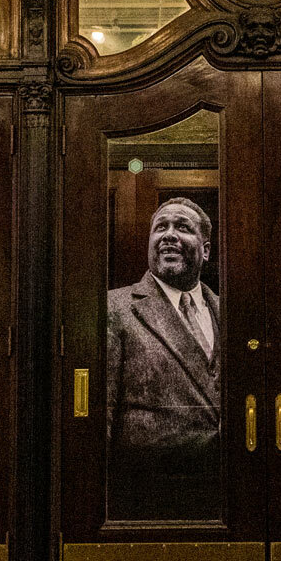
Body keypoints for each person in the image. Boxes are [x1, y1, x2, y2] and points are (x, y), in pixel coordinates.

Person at [103, 196, 222, 520]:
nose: (169, 235)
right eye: (161, 228)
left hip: (224, 498)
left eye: (182, 227)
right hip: (145, 499)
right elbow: (101, 415)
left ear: (206, 250)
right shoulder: (115, 308)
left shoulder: (230, 312)